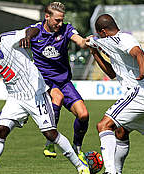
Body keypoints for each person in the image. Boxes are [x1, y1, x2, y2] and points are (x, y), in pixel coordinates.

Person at [0, 30, 92, 174]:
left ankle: (81, 167)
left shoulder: (6, 41)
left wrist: (27, 37)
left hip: (36, 94)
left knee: (50, 134)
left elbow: (33, 30)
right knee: (0, 131)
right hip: (15, 98)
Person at [87, 14, 144, 174]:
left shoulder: (123, 38)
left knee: (103, 125)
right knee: (121, 132)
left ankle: (110, 173)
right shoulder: (114, 45)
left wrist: (142, 71)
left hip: (139, 91)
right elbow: (112, 73)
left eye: (100, 35)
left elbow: (139, 53)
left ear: (104, 32)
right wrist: (95, 53)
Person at [22, 1, 90, 158]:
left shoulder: (66, 29)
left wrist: (87, 41)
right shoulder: (35, 31)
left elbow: (80, 41)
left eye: (62, 20)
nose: (60, 23)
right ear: (47, 17)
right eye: (57, 20)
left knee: (84, 115)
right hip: (44, 82)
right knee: (57, 96)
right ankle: (50, 141)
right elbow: (13, 37)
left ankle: (77, 147)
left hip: (64, 81)